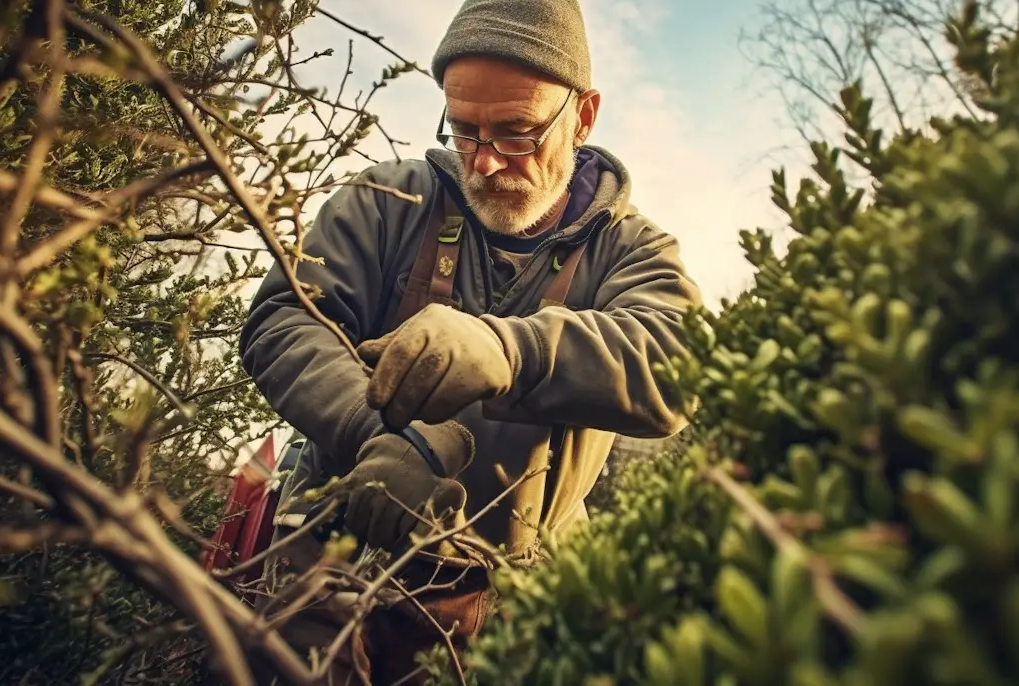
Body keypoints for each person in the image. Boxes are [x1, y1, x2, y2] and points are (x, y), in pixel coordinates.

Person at [237, 0, 703, 681]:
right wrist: (373, 433)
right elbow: (282, 317)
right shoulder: (385, 201)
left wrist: (512, 353)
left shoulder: (630, 250)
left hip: (504, 599)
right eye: (464, 131)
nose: (484, 163)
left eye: (516, 133)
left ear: (584, 115)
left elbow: (677, 366)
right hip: (326, 556)